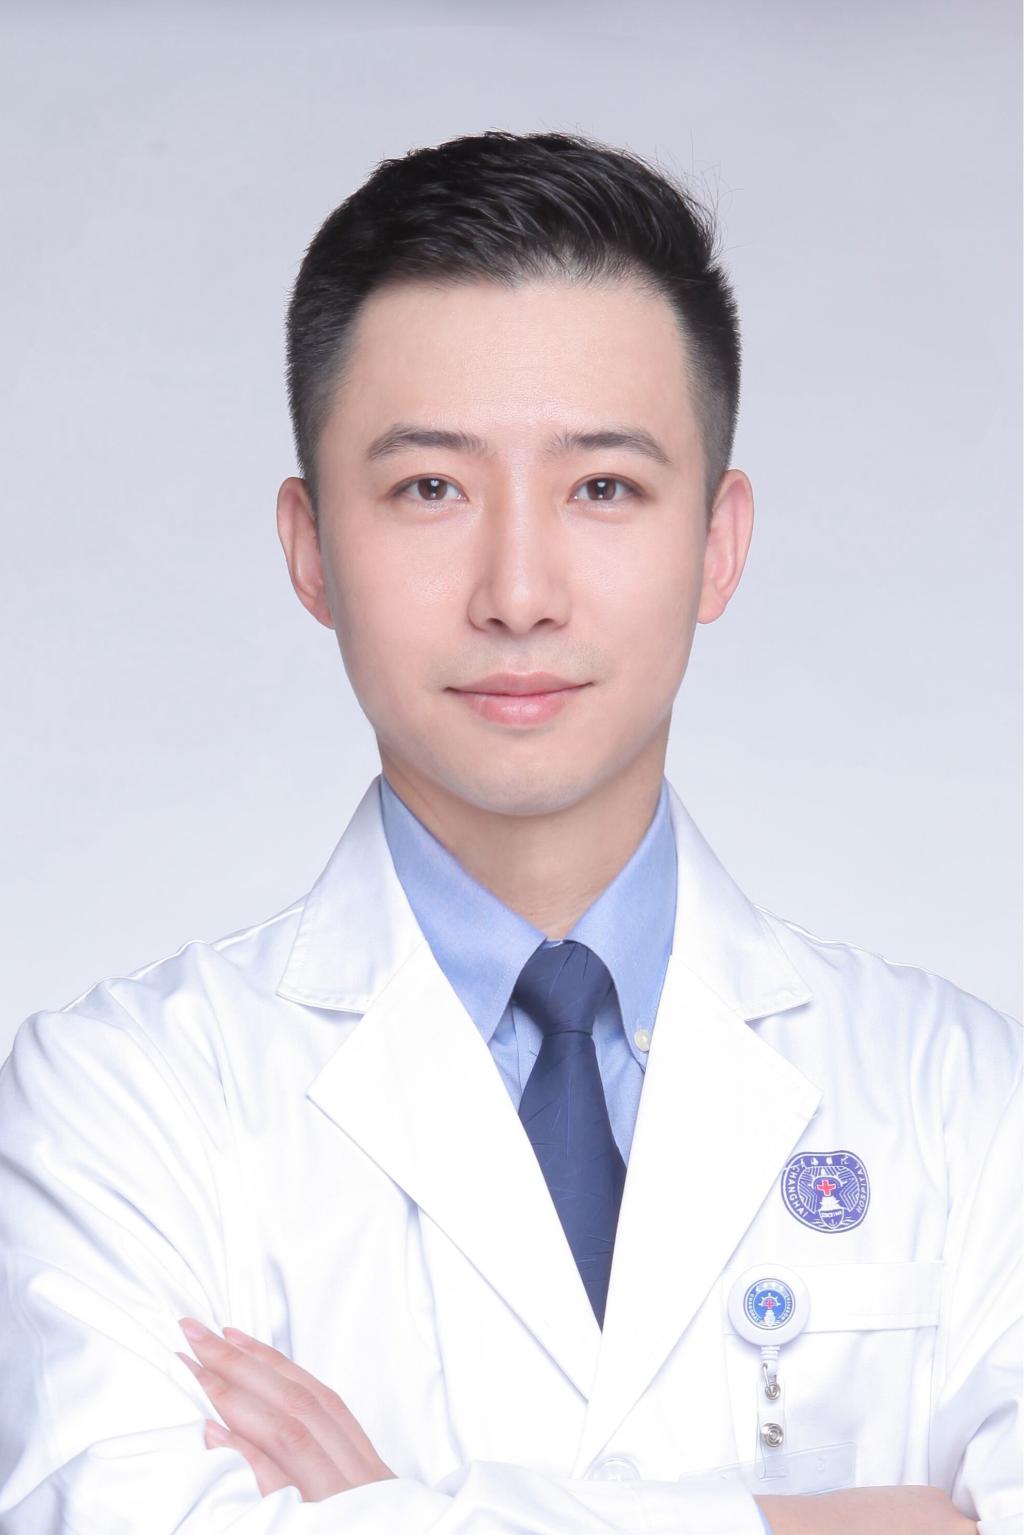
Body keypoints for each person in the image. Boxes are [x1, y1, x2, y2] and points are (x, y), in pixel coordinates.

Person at [0, 129, 1018, 1535]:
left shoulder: (960, 1097)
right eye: (431, 488)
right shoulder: (126, 1103)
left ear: (718, 544)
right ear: (311, 546)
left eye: (604, 487)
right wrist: (838, 1521)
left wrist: (390, 1511)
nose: (519, 591)